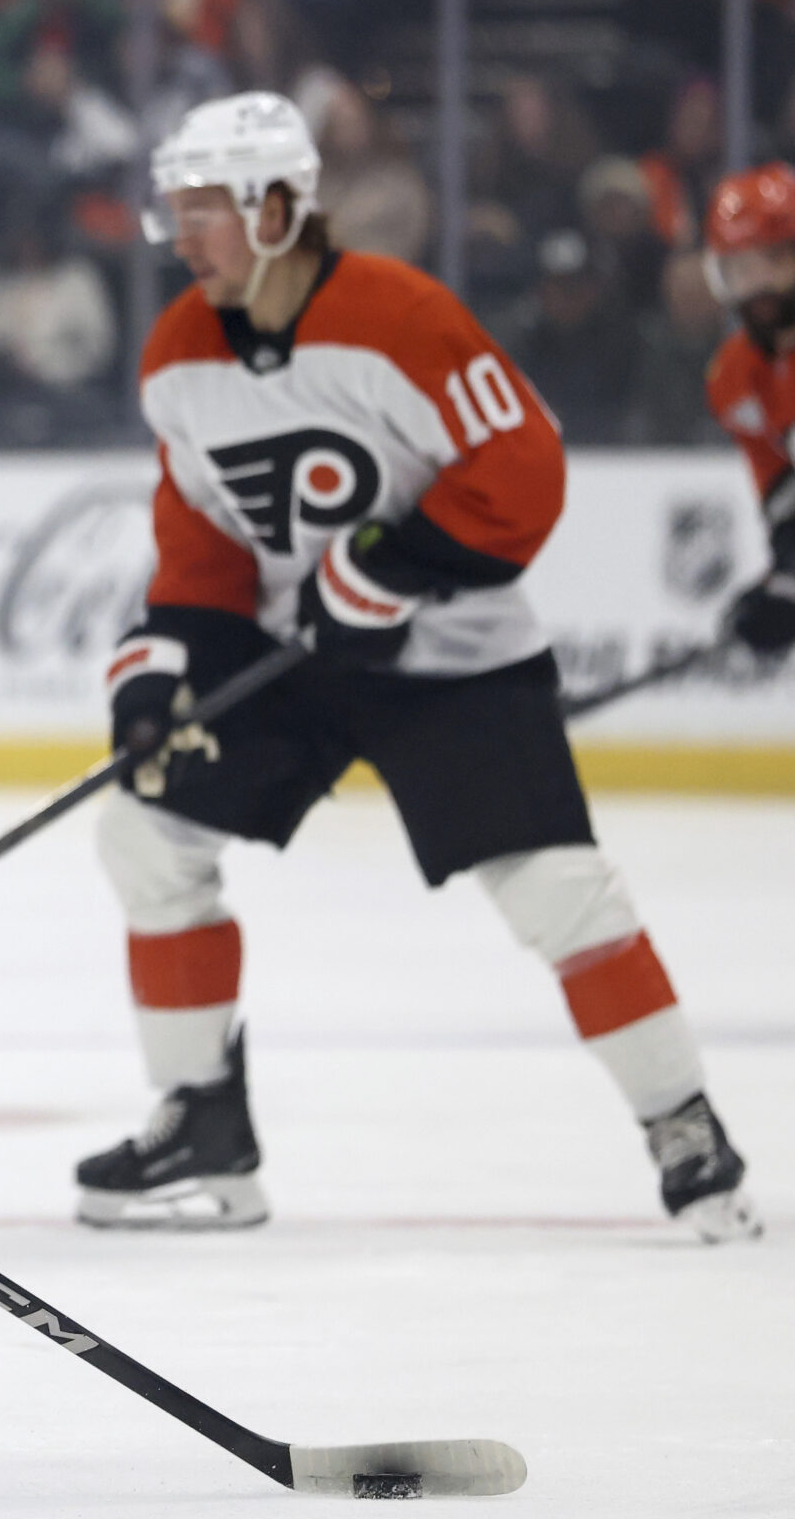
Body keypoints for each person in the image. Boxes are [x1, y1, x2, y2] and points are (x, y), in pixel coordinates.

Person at [73, 93, 758, 1243]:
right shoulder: (179, 351)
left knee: (555, 889)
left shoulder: (401, 316)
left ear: (280, 209)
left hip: (453, 655)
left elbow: (523, 468)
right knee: (145, 832)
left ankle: (683, 1125)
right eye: (176, 212)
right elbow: (201, 536)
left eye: (206, 212)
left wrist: (392, 563)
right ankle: (203, 1124)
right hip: (297, 653)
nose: (184, 239)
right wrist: (157, 675)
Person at [699, 162, 795, 661]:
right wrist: (782, 580)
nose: (756, 287)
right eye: (739, 268)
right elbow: (783, 490)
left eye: (774, 260)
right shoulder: (734, 377)